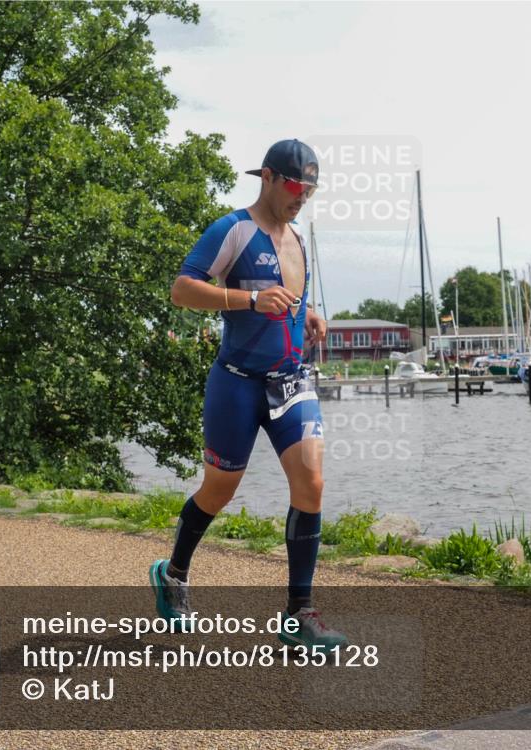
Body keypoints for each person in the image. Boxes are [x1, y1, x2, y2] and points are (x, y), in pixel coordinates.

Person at [153, 139, 348, 650]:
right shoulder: (233, 229)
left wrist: (308, 316)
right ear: (267, 176)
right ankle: (173, 574)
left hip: (291, 379)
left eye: (310, 188)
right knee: (219, 490)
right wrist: (249, 299)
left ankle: (299, 614)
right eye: (294, 185)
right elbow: (182, 289)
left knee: (312, 481)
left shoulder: (298, 241)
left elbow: (290, 301)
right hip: (236, 382)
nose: (301, 196)